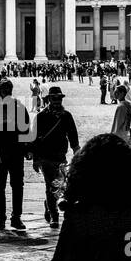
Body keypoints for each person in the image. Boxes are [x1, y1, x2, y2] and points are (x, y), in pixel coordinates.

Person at [27, 85, 79, 228]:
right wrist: (36, 159)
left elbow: (72, 134)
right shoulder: (41, 116)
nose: (57, 102)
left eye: (59, 99)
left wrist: (76, 150)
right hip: (45, 157)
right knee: (51, 186)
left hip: (60, 156)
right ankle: (54, 216)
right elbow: (35, 138)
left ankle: (48, 204)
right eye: (54, 99)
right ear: (49, 99)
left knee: (60, 186)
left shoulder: (66, 116)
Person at [0, 78, 30, 232]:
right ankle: (0, 217)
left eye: (8, 91)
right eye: (3, 91)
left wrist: (28, 149)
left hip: (16, 154)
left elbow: (26, 130)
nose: (5, 94)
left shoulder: (19, 108)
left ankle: (16, 216)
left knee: (18, 186)